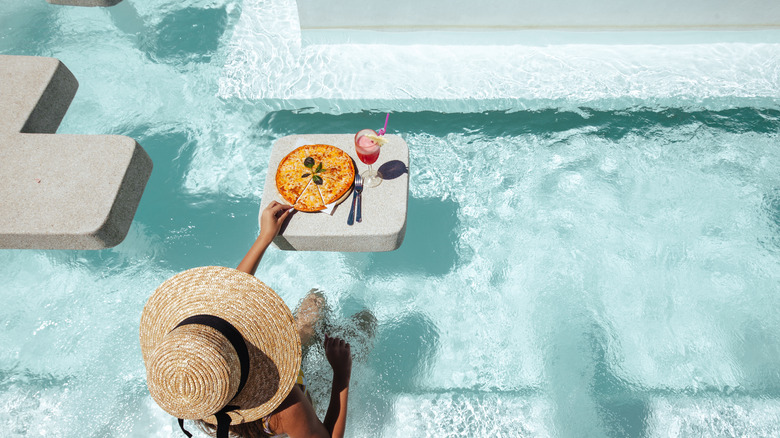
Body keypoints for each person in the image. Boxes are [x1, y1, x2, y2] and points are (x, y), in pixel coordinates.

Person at [140, 201, 352, 438]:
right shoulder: (287, 407)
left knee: (314, 303)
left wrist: (265, 236)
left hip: (249, 397)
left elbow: (233, 294)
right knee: (358, 323)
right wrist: (341, 375)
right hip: (286, 407)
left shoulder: (193, 386)